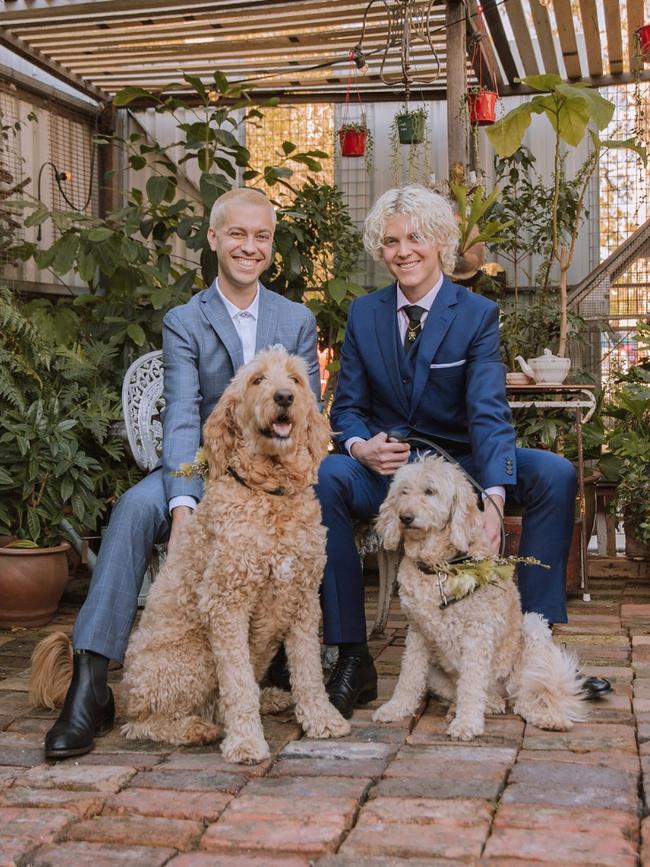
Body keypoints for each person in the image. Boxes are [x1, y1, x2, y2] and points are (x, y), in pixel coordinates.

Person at [44, 187, 320, 759]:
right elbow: (182, 414)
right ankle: (90, 683)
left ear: (271, 245)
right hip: (204, 459)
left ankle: (324, 668)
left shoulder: (296, 318)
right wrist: (184, 500)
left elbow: (305, 407)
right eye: (237, 234)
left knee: (322, 509)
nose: (250, 247)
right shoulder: (184, 319)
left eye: (261, 236)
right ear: (215, 239)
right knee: (134, 508)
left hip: (275, 467)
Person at [318, 184, 608, 719]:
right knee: (329, 477)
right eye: (391, 241)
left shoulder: (474, 314)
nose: (403, 251)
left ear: (442, 243)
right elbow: (347, 408)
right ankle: (351, 657)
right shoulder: (363, 315)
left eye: (416, 238)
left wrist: (493, 499)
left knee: (554, 474)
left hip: (460, 466)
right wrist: (362, 446)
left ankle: (535, 646)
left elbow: (488, 411)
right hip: (389, 472)